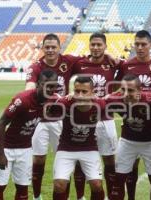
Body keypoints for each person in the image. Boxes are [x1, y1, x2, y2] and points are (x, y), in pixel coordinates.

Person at [25, 33, 86, 200]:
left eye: (54, 47)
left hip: (62, 120)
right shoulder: (36, 67)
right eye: (47, 47)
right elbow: (29, 89)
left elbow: (91, 61)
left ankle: (73, 196)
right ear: (42, 48)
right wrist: (56, 98)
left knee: (65, 161)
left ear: (60, 48)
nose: (50, 50)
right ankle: (37, 197)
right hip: (40, 121)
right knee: (38, 160)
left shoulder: (68, 61)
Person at [0, 69, 58, 200]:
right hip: (6, 148)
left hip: (26, 150)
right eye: (46, 85)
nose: (49, 89)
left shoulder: (53, 100)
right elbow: (1, 124)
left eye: (52, 86)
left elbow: (71, 99)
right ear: (38, 83)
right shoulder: (22, 100)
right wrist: (1, 154)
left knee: (23, 189)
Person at [116, 30, 151, 199]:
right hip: (130, 121)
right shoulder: (126, 65)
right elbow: (118, 89)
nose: (140, 47)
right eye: (137, 44)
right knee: (130, 167)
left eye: (144, 44)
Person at [72, 32, 119, 198]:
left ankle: (110, 195)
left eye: (100, 45)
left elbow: (128, 68)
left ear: (105, 46)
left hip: (106, 118)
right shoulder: (79, 63)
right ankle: (80, 196)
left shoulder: (113, 63)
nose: (96, 47)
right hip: (82, 119)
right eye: (93, 44)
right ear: (89, 45)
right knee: (79, 159)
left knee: (109, 159)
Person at [109, 74, 151, 200]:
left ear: (140, 90)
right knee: (118, 183)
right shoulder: (114, 99)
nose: (126, 93)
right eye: (123, 89)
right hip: (127, 142)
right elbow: (94, 100)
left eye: (131, 90)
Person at [52, 76, 105, 200]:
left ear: (92, 92)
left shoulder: (100, 104)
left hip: (89, 148)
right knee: (59, 185)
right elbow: (47, 109)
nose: (80, 95)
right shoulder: (64, 103)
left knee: (97, 185)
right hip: (66, 148)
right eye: (77, 91)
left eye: (84, 91)